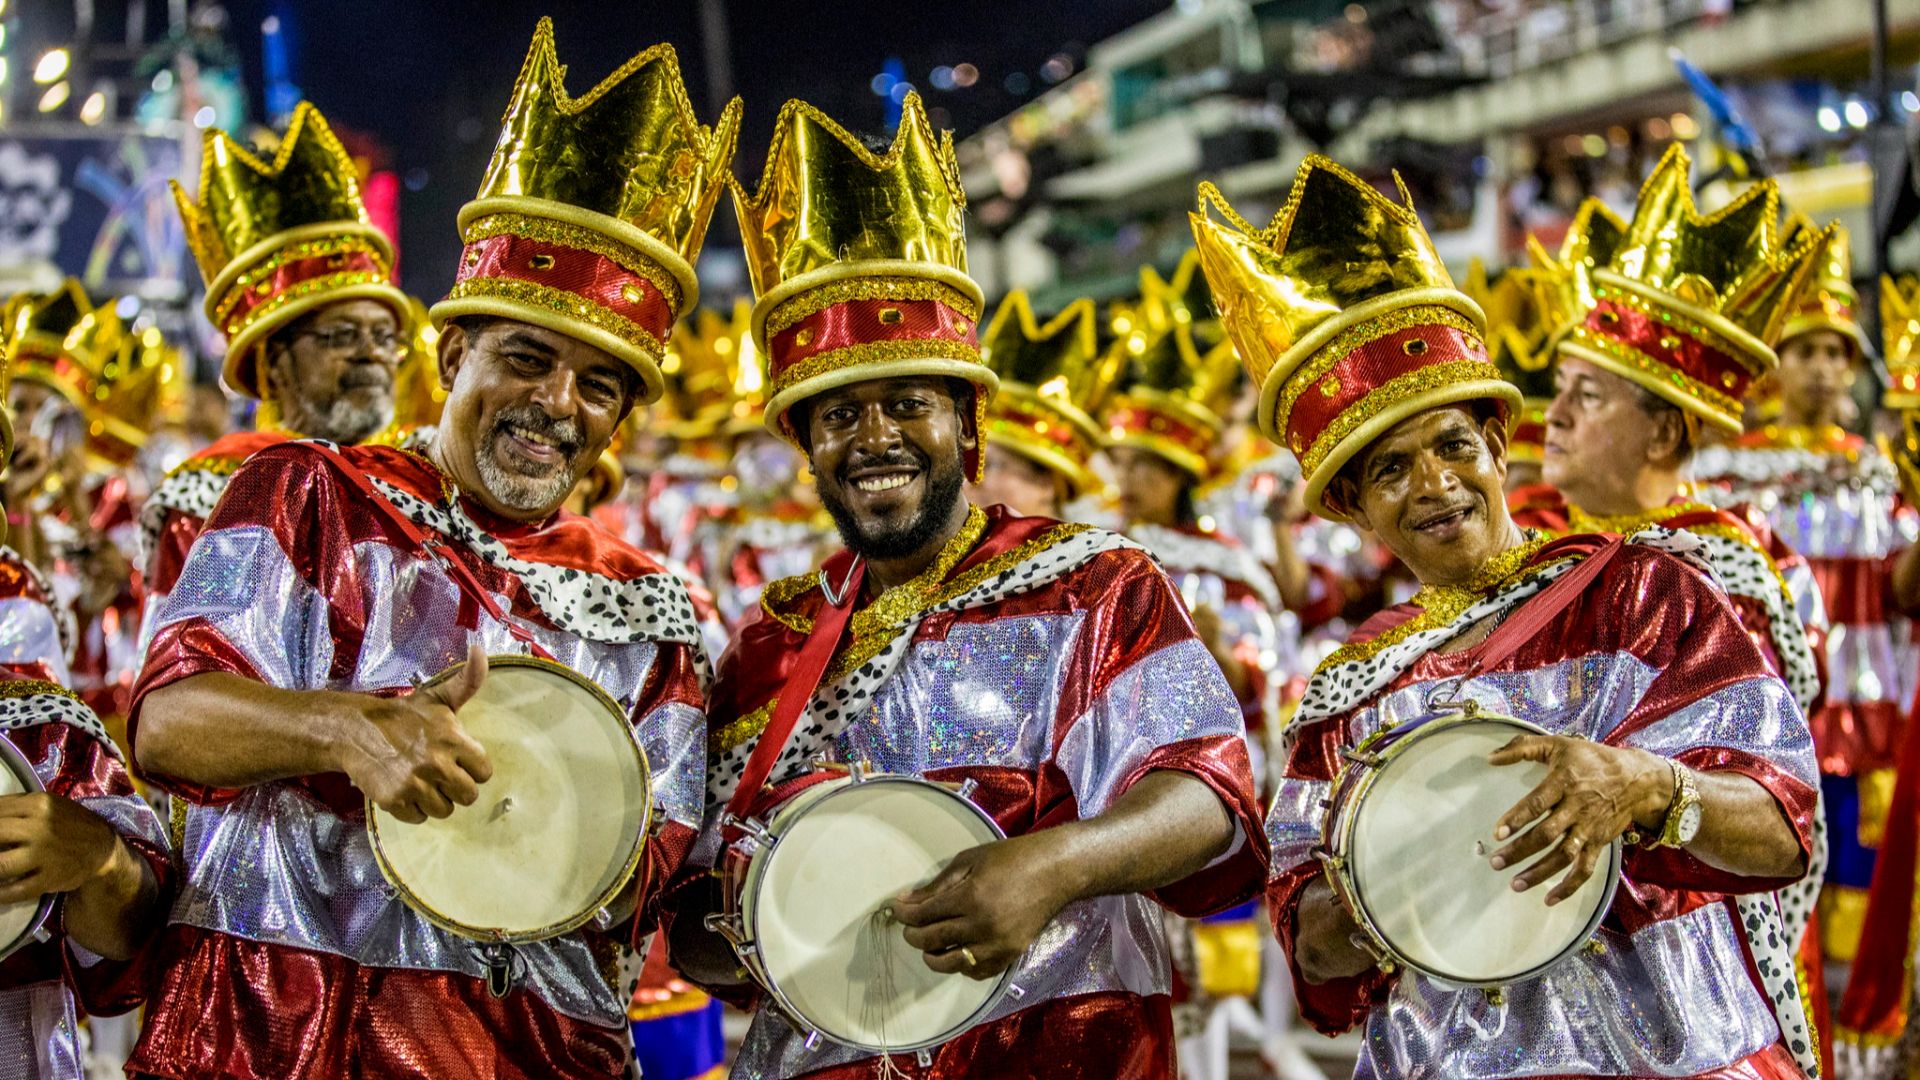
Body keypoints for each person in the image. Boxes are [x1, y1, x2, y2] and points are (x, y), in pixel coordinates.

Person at [122, 22, 735, 1077]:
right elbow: (169, 721)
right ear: (451, 351)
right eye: (527, 359)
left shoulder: (656, 611)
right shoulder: (304, 494)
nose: (555, 404)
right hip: (261, 1042)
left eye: (598, 385)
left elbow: (662, 881)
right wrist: (347, 731)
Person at [664, 92, 1265, 1079]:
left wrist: (1046, 868)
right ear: (805, 448)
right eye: (838, 415)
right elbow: (694, 922)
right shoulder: (771, 642)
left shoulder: (1093, 587)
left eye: (908, 403)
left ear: (970, 429)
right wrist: (765, 927)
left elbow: (1206, 794)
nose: (874, 438)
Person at [1192, 151, 1821, 1079]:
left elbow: (1783, 828)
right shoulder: (1348, 694)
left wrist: (1645, 789)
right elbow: (1311, 947)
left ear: (1497, 445)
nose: (1435, 485)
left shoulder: (1647, 595)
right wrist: (1400, 882)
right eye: (1391, 470)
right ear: (1355, 513)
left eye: (1453, 446)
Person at [1692, 219, 1920, 1009]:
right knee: (1764, 910)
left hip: (1861, 724)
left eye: (1837, 353)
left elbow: (1903, 591)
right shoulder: (1728, 471)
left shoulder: (1879, 469)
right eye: (1805, 350)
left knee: (1855, 907)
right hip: (1767, 720)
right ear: (1774, 365)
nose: (1822, 369)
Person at [140, 99, 410, 638]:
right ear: (272, 359)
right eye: (341, 336)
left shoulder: (416, 484)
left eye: (384, 337)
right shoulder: (214, 494)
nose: (371, 353)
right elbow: (192, 671)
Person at [969, 290, 1115, 520]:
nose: (972, 481)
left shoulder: (1099, 555)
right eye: (968, 463)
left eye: (991, 466)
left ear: (1047, 484)